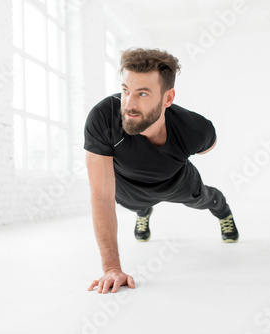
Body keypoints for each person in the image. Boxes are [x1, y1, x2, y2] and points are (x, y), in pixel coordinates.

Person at [83, 48, 239, 294]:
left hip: (176, 181)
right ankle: (143, 213)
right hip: (128, 187)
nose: (129, 104)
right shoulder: (102, 117)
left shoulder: (194, 128)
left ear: (167, 99)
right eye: (126, 91)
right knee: (137, 205)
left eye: (143, 94)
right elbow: (101, 195)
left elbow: (210, 145)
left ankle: (224, 213)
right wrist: (112, 268)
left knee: (205, 199)